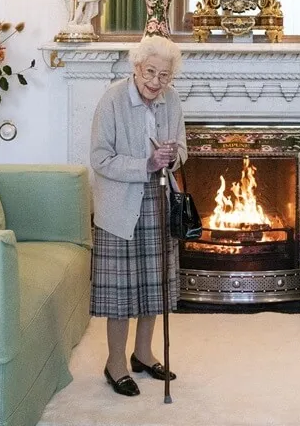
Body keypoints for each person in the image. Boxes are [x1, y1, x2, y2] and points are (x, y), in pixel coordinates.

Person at [89, 35, 186, 397]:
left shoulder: (171, 100)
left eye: (164, 76)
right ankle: (115, 363)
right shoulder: (113, 99)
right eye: (150, 72)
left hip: (159, 199)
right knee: (121, 292)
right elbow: (99, 158)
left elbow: (183, 148)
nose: (156, 82)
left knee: (153, 285)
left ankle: (143, 354)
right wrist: (145, 163)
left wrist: (171, 156)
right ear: (136, 67)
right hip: (119, 205)